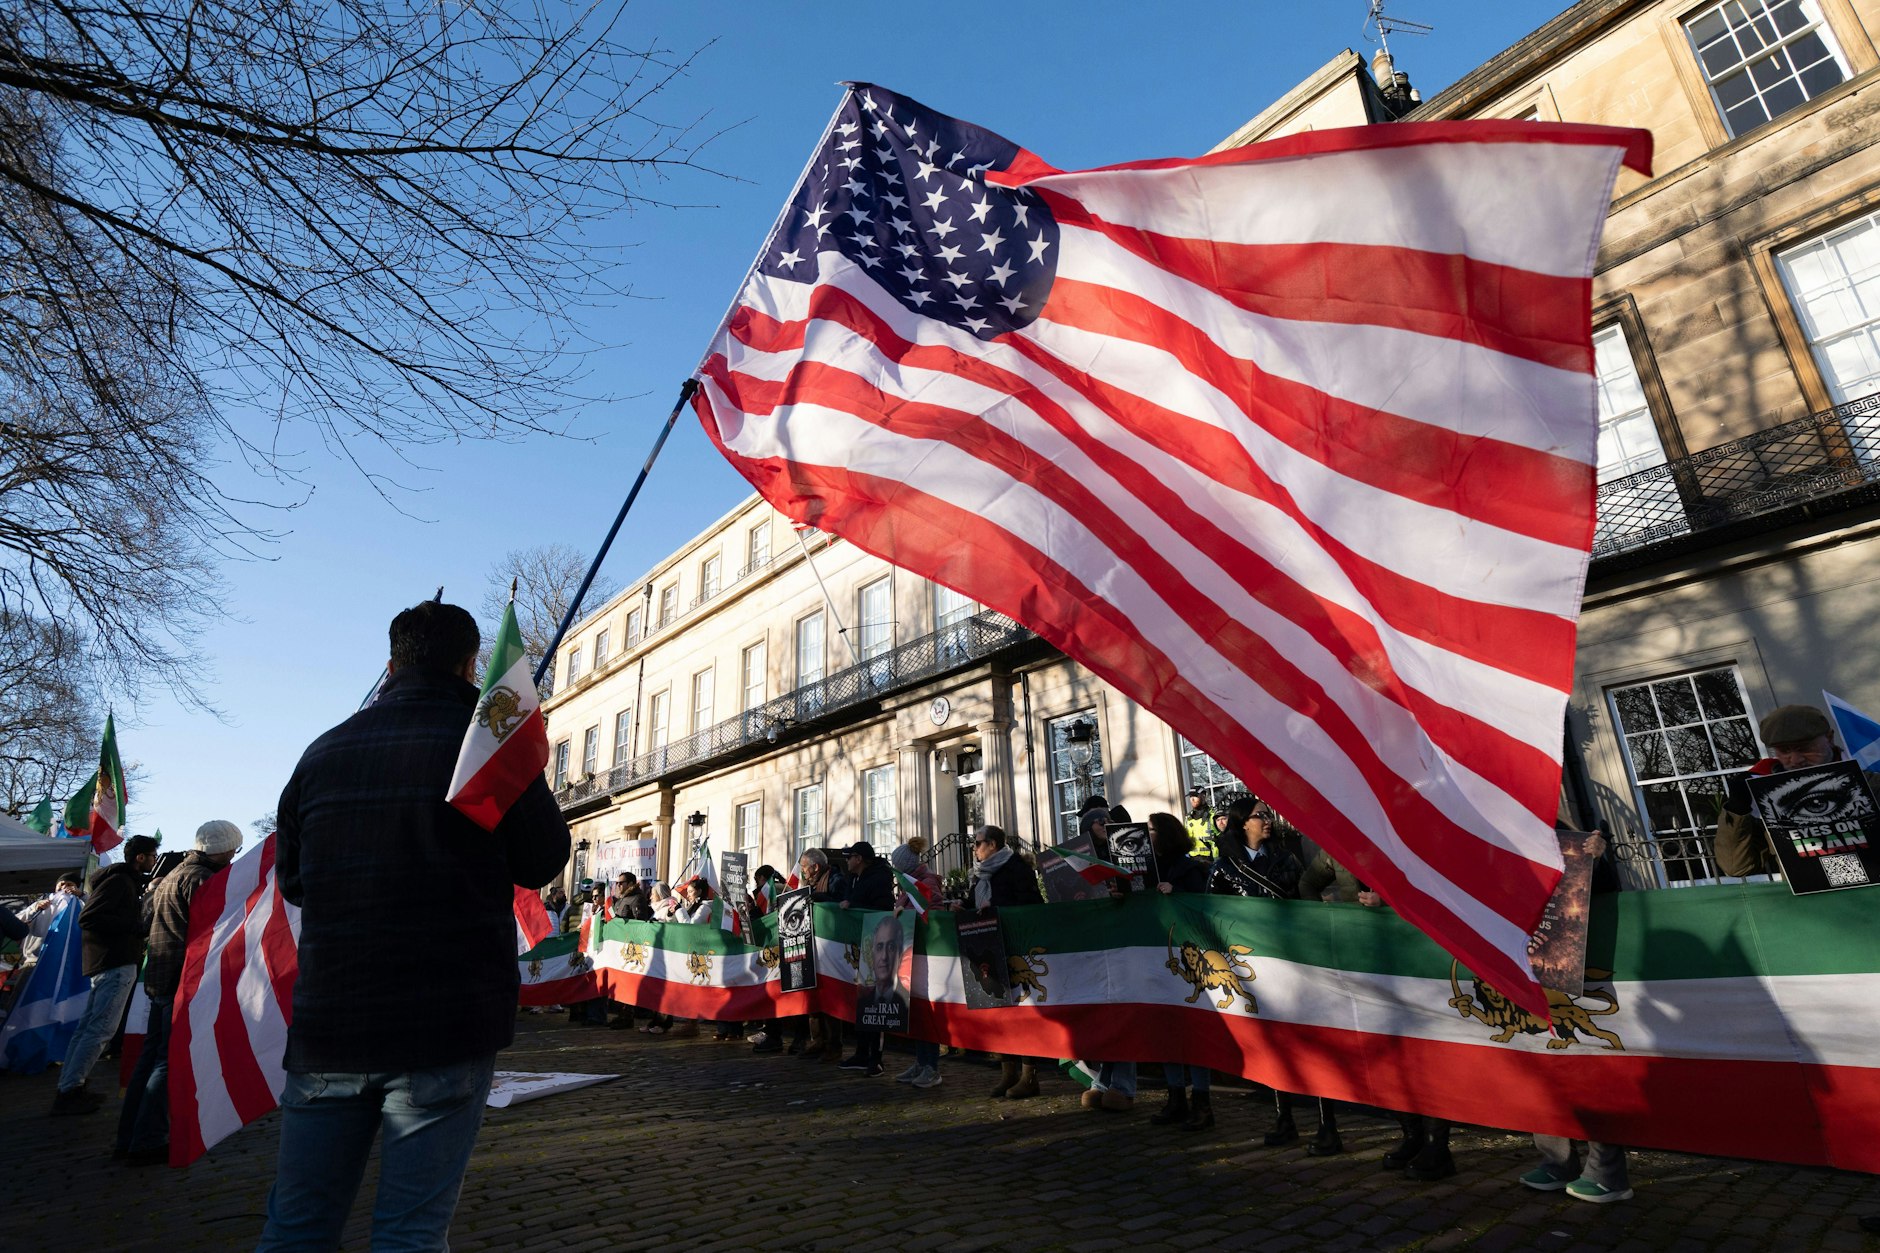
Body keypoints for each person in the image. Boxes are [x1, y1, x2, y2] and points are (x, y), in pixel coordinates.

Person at [256, 600, 569, 1251]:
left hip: (333, 1023)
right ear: (468, 665)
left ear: (391, 664)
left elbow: (294, 882)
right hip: (442, 1023)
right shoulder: (485, 745)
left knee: (299, 1225)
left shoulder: (323, 752)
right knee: (412, 1231)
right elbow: (544, 859)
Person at [116, 819, 242, 1165]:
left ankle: (128, 1137)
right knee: (168, 1063)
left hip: (159, 975)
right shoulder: (202, 880)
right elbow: (216, 933)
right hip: (180, 980)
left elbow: (142, 923)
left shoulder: (173, 875)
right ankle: (147, 1140)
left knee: (151, 1059)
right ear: (224, 850)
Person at [51, 833, 159, 1115]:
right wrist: (136, 926)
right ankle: (70, 1090)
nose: (154, 861)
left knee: (89, 1028)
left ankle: (70, 1084)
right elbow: (89, 918)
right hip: (115, 962)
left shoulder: (119, 881)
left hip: (107, 962)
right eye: (152, 856)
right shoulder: (119, 882)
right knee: (100, 1030)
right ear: (140, 858)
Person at [1715, 704, 1880, 877]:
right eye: (1784, 751)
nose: (1795, 760)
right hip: (1813, 901)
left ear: (1829, 739)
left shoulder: (1873, 784)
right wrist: (1737, 809)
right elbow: (1737, 867)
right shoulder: (1765, 797)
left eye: (1804, 748)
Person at [1146, 812, 1216, 1130]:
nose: (1148, 835)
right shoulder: (1148, 868)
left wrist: (1177, 893)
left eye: (1151, 830)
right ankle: (1175, 1096)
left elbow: (1203, 907)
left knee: (1195, 1030)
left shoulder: (1191, 869)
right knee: (1165, 1028)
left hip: (1188, 960)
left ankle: (1201, 1101)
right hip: (1159, 956)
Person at [966, 824, 1045, 1099]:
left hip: (1014, 950)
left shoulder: (1016, 868)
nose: (974, 849)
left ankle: (1028, 1075)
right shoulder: (980, 874)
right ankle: (1007, 1071)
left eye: (977, 843)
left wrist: (996, 906)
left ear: (993, 844)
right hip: (987, 950)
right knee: (997, 1011)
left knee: (1021, 1013)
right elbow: (973, 904)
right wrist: (961, 908)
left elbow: (1031, 904)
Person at [889, 842, 943, 1087]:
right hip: (912, 954)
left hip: (926, 955)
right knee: (918, 1011)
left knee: (926, 1010)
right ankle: (921, 1062)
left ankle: (931, 1067)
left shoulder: (926, 883)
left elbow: (931, 912)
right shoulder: (908, 885)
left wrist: (904, 912)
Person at [839, 842, 894, 1073]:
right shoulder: (854, 879)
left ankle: (876, 1058)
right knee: (862, 1000)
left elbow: (882, 907)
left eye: (849, 857)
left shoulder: (879, 877)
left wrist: (854, 904)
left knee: (877, 1001)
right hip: (859, 946)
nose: (847, 861)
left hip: (877, 946)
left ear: (859, 858)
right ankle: (861, 1053)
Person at [17, 872, 82, 966]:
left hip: (65, 963)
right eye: (62, 884)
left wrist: (82, 895)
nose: (64, 887)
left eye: (69, 885)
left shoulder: (80, 905)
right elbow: (16, 922)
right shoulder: (41, 904)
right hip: (34, 961)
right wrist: (34, 909)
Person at [1183, 792, 1217, 859]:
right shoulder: (1188, 818)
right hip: (1192, 859)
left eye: (1195, 796)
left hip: (1211, 858)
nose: (1192, 799)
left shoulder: (1213, 814)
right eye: (1190, 797)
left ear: (1203, 796)